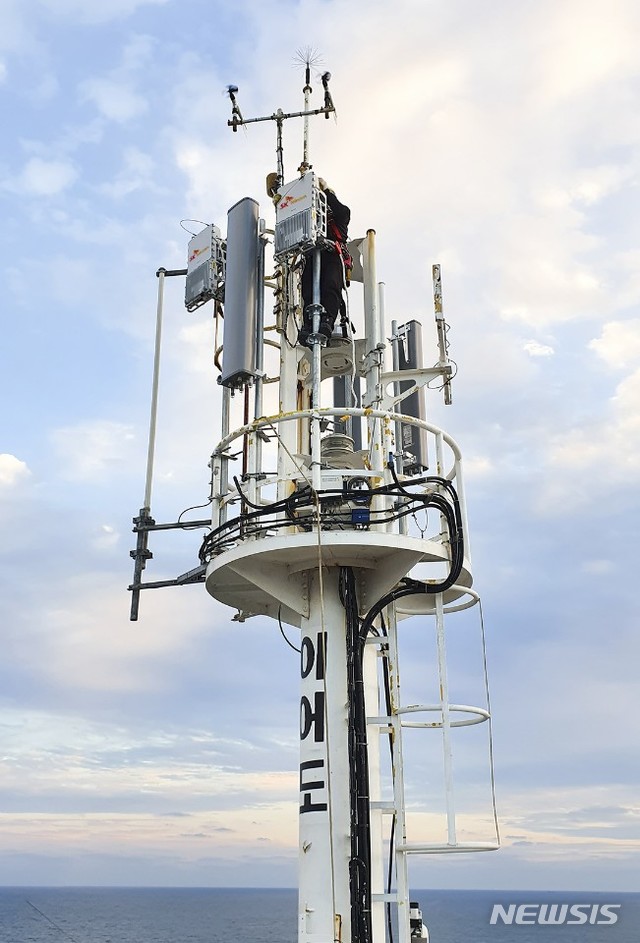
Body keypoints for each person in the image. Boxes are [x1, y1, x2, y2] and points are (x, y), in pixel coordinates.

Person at [298, 178, 351, 347]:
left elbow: (342, 210)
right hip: (313, 255)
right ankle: (308, 324)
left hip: (332, 255)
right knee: (308, 287)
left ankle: (326, 320)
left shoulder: (339, 218)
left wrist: (325, 191)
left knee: (330, 285)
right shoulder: (312, 220)